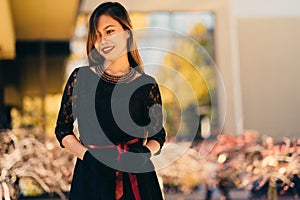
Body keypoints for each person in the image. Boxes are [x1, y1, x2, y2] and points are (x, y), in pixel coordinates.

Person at [55, 2, 166, 200]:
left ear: (127, 33)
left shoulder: (146, 85)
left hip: (138, 178)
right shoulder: (80, 78)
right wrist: (87, 156)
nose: (103, 40)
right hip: (91, 176)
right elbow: (63, 129)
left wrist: (143, 153)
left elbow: (158, 134)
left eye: (110, 31)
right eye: (97, 35)